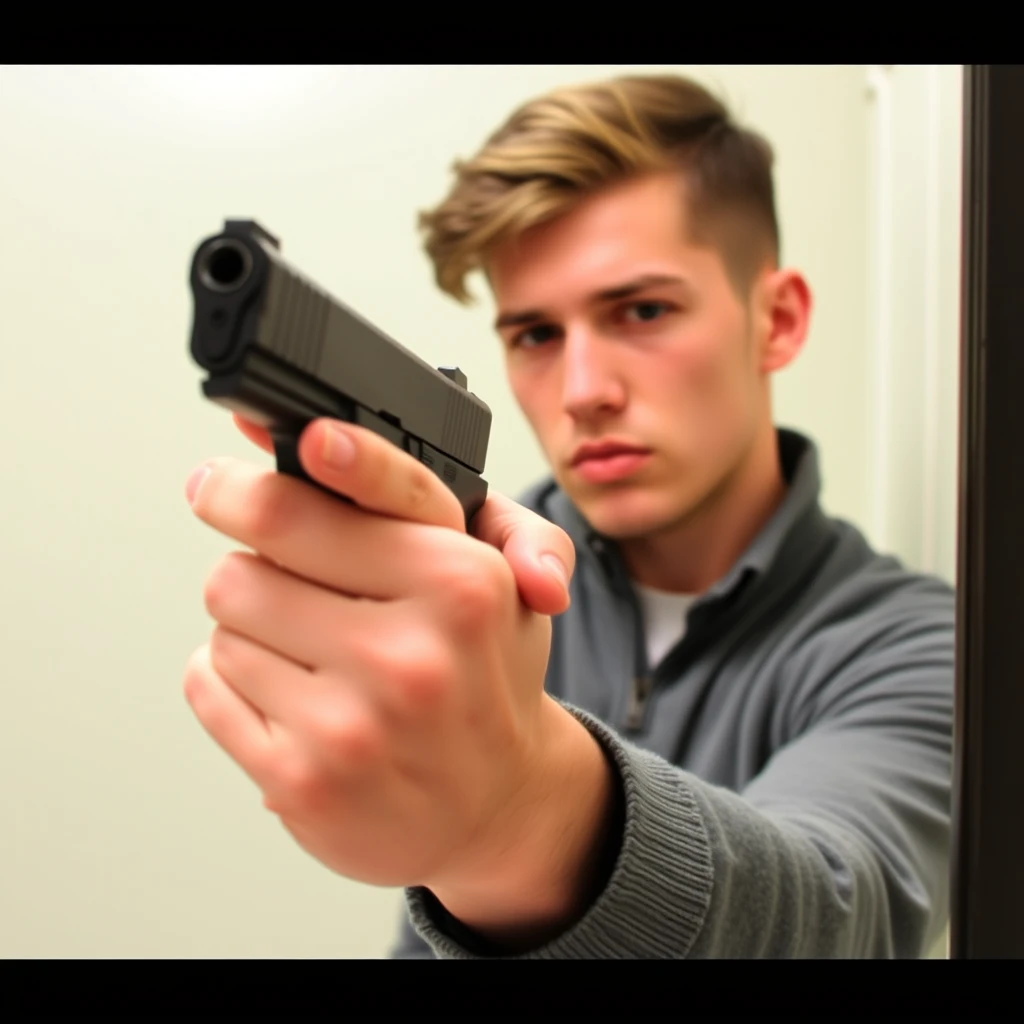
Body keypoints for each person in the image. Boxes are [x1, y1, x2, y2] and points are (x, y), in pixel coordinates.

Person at [182, 73, 954, 959]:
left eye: (643, 310)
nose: (583, 392)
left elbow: (839, 918)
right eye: (536, 336)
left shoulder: (922, 646)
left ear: (775, 320)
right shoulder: (463, 583)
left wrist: (521, 813)